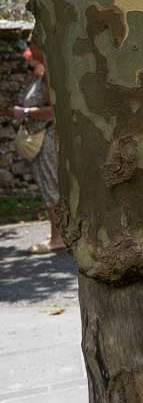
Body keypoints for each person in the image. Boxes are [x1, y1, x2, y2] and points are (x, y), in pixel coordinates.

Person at [8, 37, 63, 254]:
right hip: (42, 137)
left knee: (52, 186)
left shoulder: (49, 75)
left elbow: (53, 111)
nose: (27, 48)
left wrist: (27, 113)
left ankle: (58, 238)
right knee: (48, 186)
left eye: (31, 44)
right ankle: (57, 233)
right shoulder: (41, 74)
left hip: (47, 138)